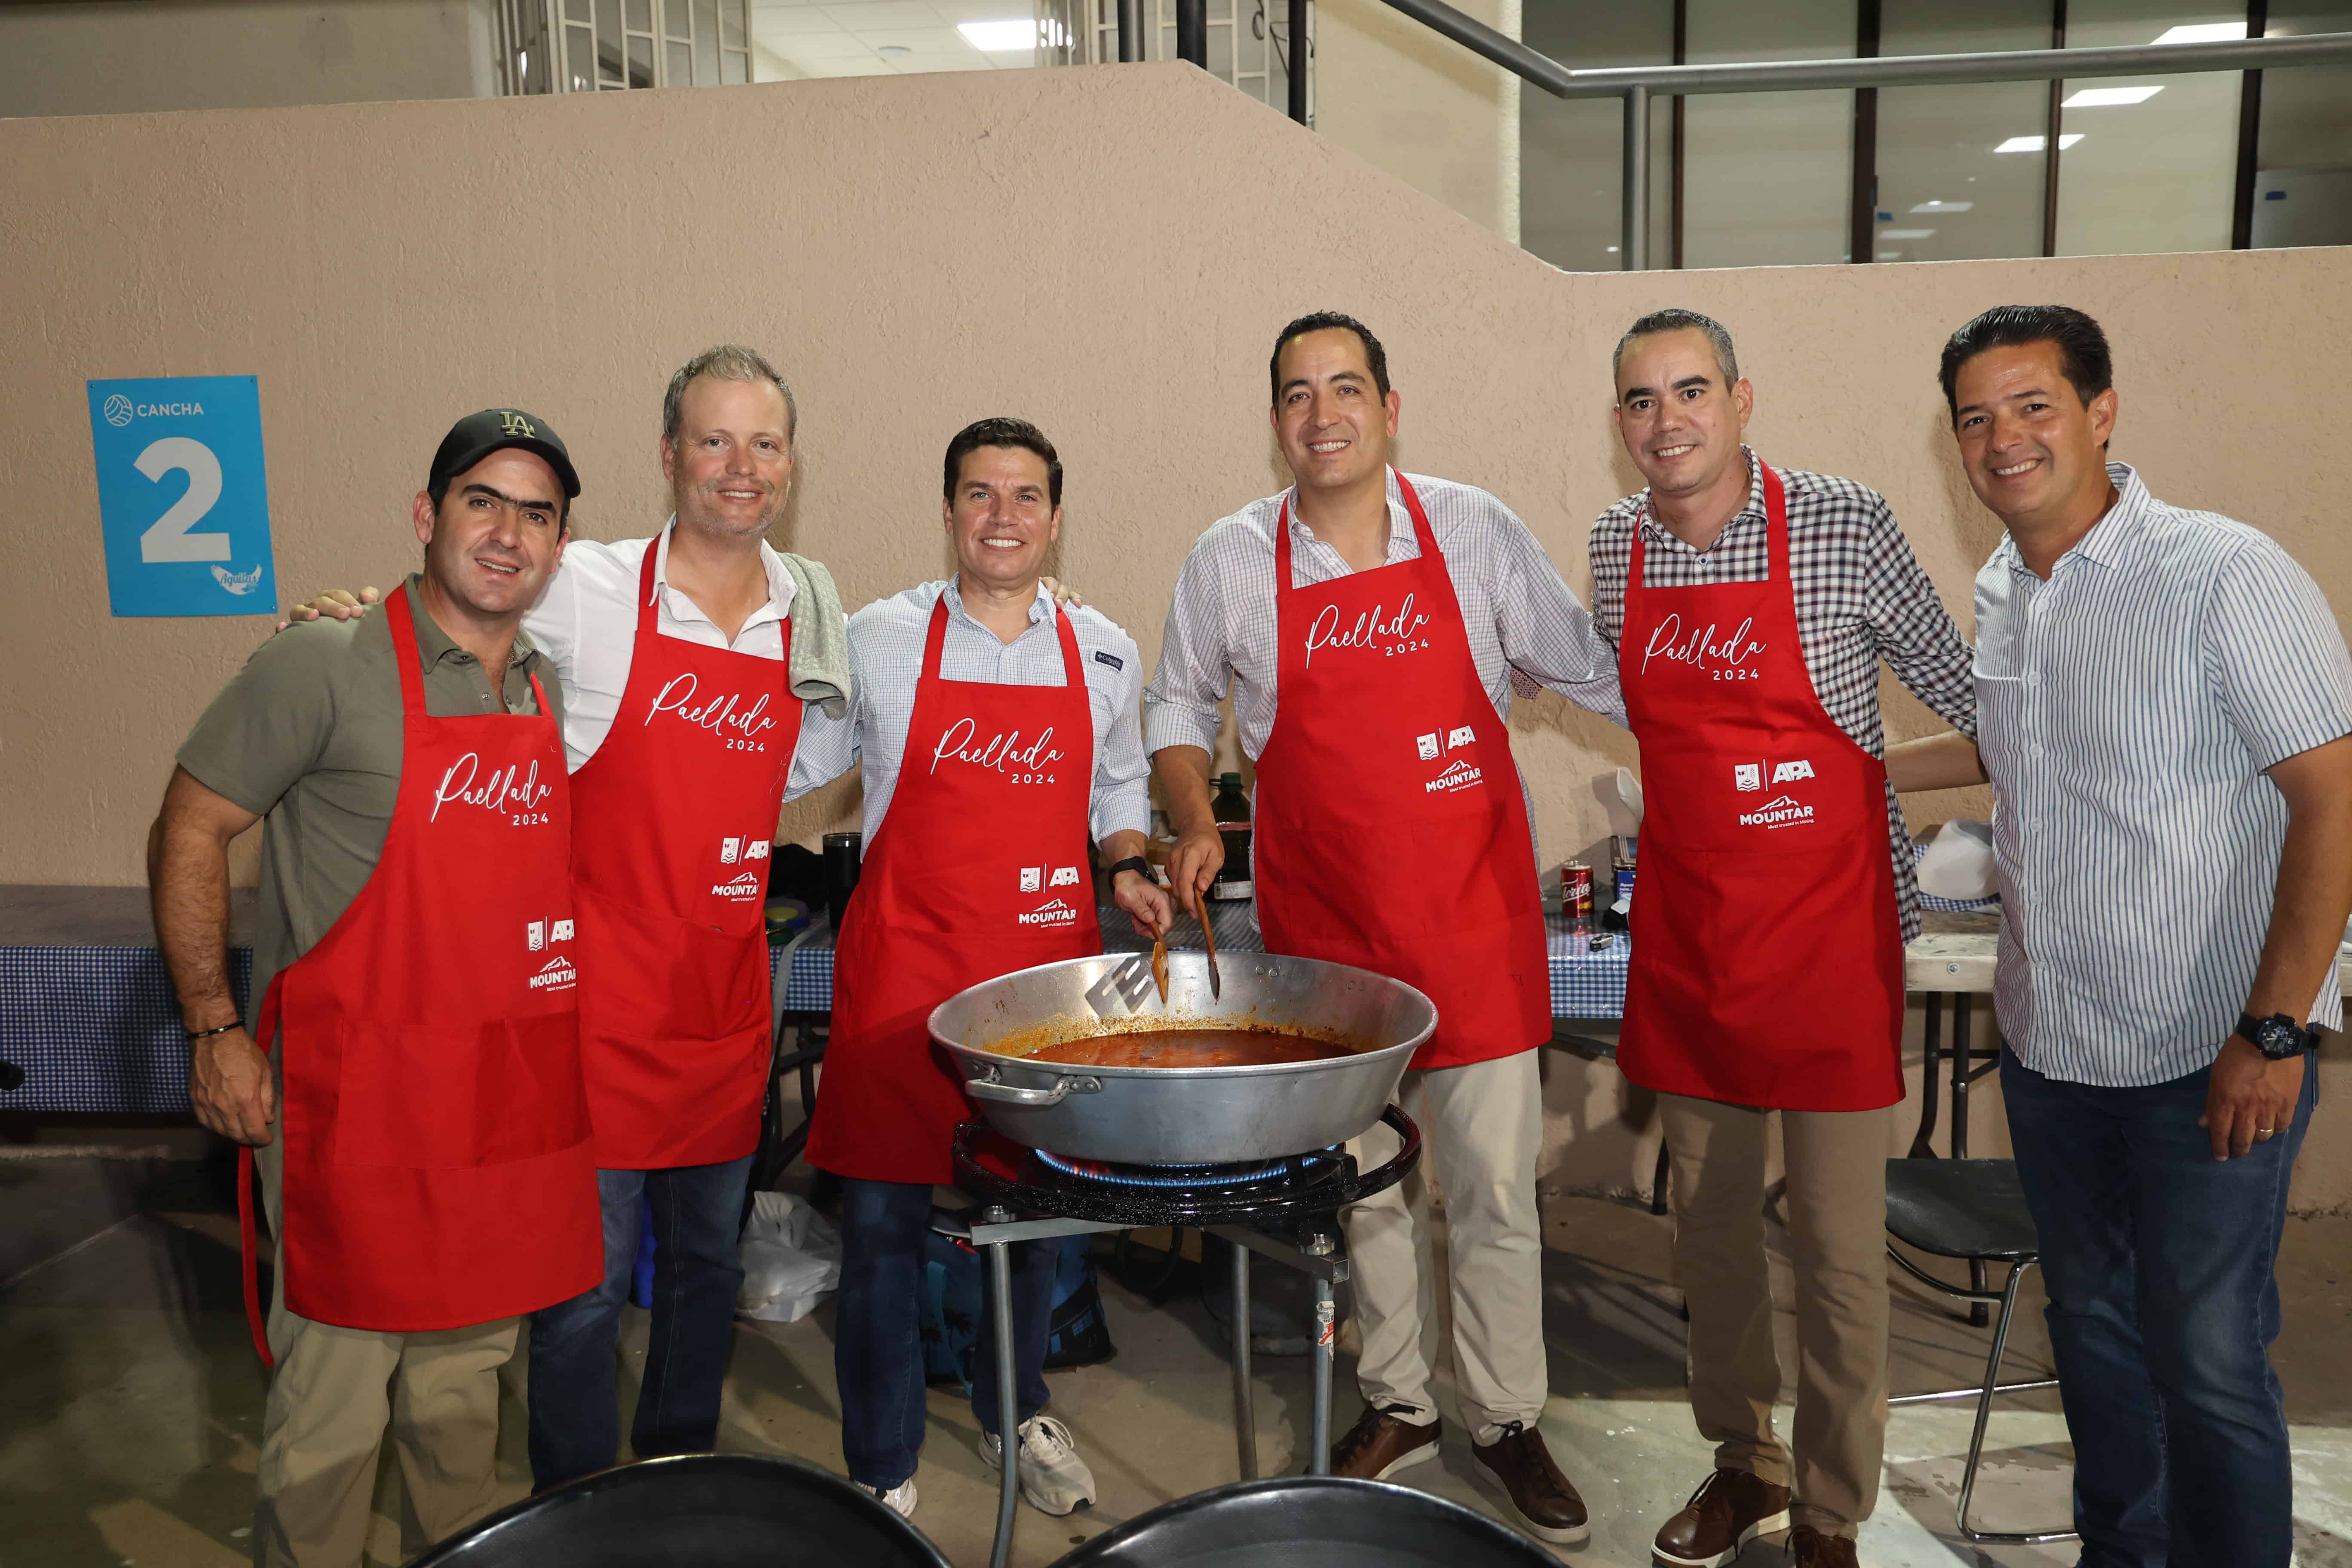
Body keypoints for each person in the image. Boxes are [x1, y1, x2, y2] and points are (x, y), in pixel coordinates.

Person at [287, 345, 854, 1492]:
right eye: (713, 440)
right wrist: (354, 619)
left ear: (790, 467)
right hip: (589, 1012)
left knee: (707, 1264)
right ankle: (578, 1500)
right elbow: (463, 602)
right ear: (669, 456)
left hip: (723, 1007)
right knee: (582, 1287)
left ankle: (679, 1461)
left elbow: (825, 765)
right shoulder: (593, 586)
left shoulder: (811, 611)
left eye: (764, 444)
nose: (738, 468)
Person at [1144, 312, 1620, 1547]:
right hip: (1332, 939)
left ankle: (1508, 1419)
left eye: (1345, 388)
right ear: (1275, 423)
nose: (1323, 415)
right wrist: (1193, 813)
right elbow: (1179, 699)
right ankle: (1400, 1401)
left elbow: (1593, 671)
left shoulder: (1473, 529)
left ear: (1390, 405)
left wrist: (1723, 739)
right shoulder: (1232, 558)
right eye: (1297, 394)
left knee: (1495, 1193)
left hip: (1470, 923)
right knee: (1365, 1194)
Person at [1887, 304, 2352, 1568]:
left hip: (2209, 1056)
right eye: (1975, 419)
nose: (2003, 440)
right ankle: (2122, 1552)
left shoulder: (2222, 573)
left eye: (2032, 406)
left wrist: (2276, 1028)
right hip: (2053, 1052)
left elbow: (2332, 794)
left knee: (2204, 1357)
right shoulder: (2007, 591)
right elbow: (2015, 743)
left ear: (2101, 412)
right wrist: (1856, 764)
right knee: (2093, 1339)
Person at [149, 410, 603, 1567]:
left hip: (496, 1108)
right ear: (426, 516)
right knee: (334, 1420)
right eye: (482, 503)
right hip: (358, 1105)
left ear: (560, 545)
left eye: (536, 515)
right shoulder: (325, 661)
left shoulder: (541, 688)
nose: (508, 535)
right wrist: (214, 1028)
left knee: (463, 1405)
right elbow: (192, 825)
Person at [1589, 309, 1978, 1568]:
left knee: (1840, 1252)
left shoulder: (1841, 522)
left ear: (1743, 400)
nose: (1669, 423)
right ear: (1621, 424)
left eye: (1691, 391)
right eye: (1642, 402)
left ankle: (1830, 1508)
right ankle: (1741, 1464)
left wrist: (1867, 771)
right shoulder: (1614, 551)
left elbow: (1970, 694)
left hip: (1825, 948)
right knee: (1709, 1239)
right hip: (1696, 946)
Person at [796, 417, 1173, 1518]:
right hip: (904, 975)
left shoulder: (1104, 649)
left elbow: (1116, 789)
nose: (1001, 517)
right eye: (978, 494)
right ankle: (881, 1463)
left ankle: (1015, 1410)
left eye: (1024, 497)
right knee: (877, 1234)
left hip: (1039, 992)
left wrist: (1132, 865)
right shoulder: (877, 637)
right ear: (948, 509)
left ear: (1056, 520)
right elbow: (797, 758)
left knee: (1025, 1226)